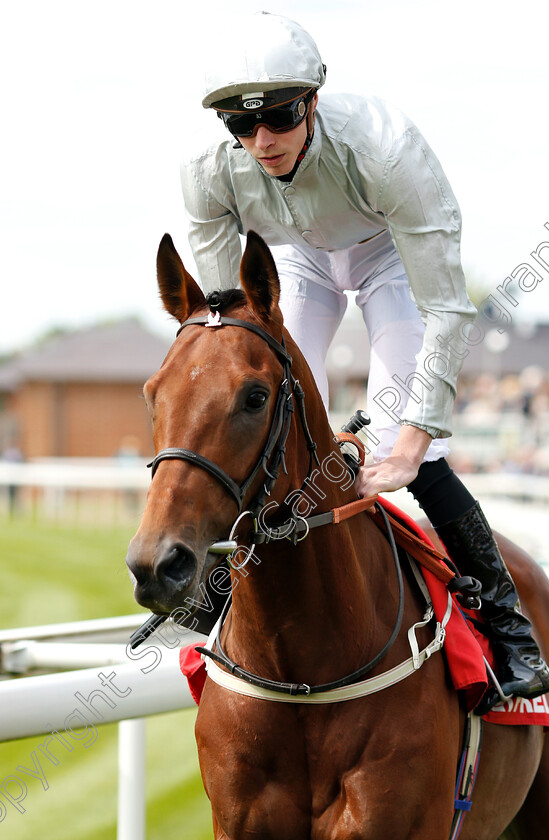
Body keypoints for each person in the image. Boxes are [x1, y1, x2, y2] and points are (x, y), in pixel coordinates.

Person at [180, 11, 549, 707]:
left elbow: (446, 310)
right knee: (269, 424)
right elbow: (230, 314)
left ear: (312, 99)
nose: (262, 142)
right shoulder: (205, 173)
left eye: (280, 118)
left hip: (390, 255)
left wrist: (413, 439)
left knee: (398, 443)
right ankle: (220, 580)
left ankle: (509, 627)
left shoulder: (386, 150)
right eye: (239, 124)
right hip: (293, 257)